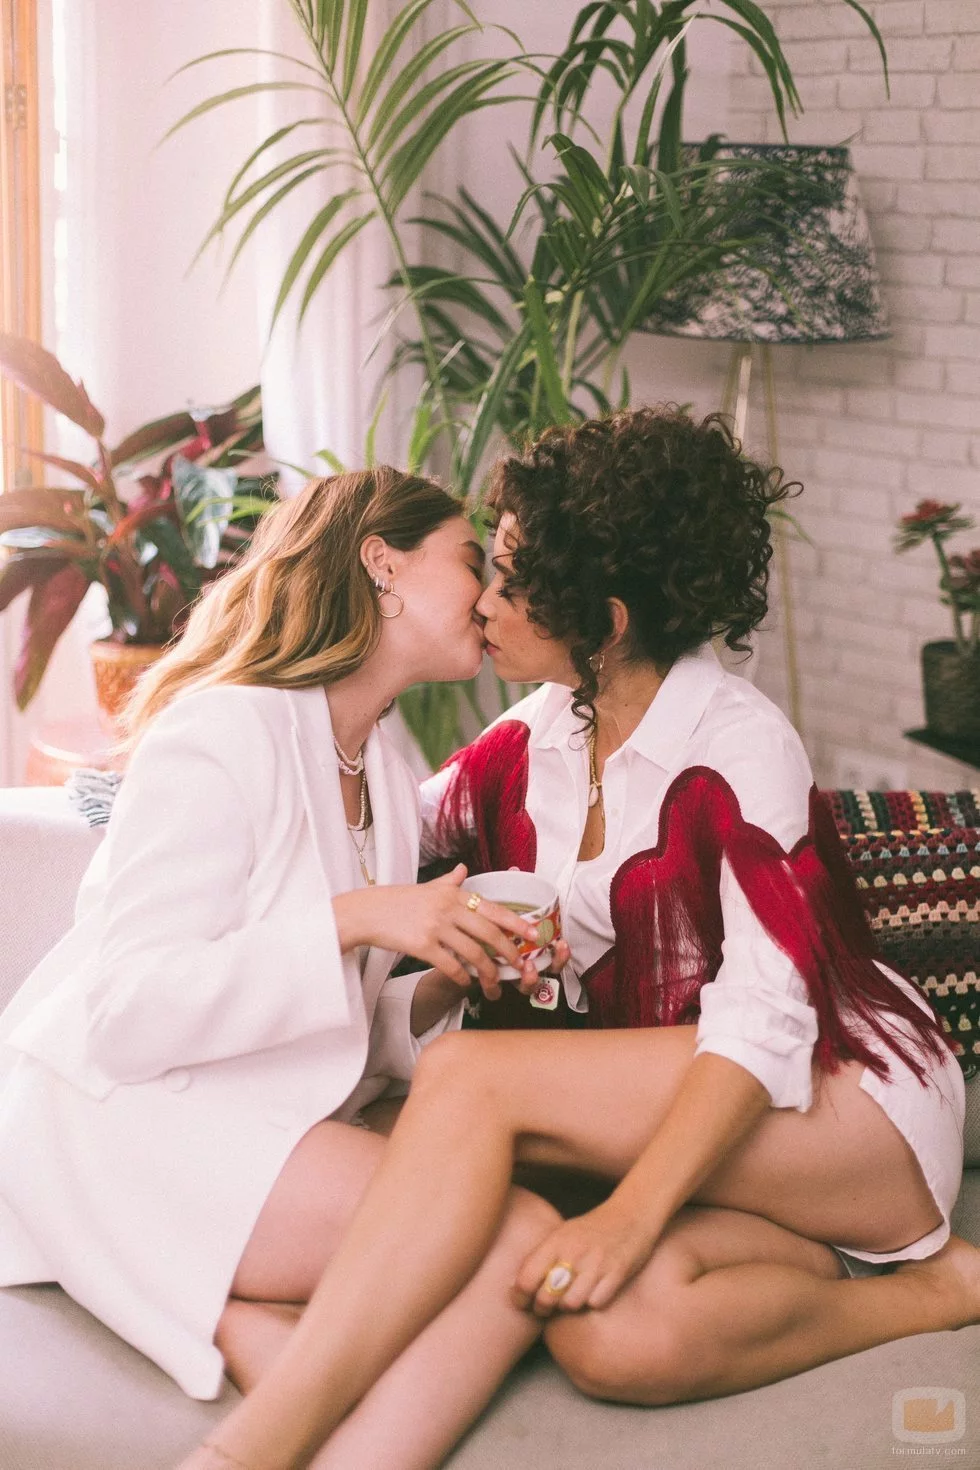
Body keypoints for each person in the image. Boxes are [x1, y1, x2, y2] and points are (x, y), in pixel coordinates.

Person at [179, 409, 978, 1470]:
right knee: (608, 1336)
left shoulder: (739, 746)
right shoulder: (537, 733)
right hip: (714, 1133)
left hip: (840, 1102)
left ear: (604, 622)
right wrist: (193, 801)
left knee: (466, 1081)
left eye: (512, 581)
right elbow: (373, 833)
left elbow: (764, 1021)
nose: (483, 599)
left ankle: (268, 1439)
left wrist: (629, 1217)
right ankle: (938, 1290)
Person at [0, 467, 572, 1460]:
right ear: (382, 565)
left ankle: (268, 1379)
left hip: (232, 1103)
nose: (489, 597)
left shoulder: (383, 769)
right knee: (514, 1237)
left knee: (513, 1240)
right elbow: (130, 1012)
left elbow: (327, 1027)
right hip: (119, 1112)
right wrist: (358, 917)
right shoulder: (225, 730)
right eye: (469, 562)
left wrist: (445, 973)